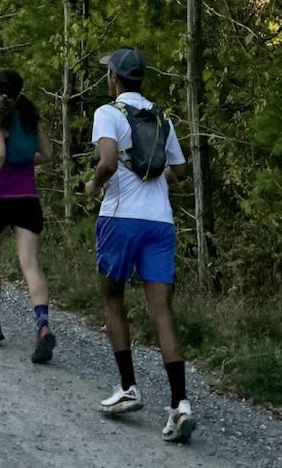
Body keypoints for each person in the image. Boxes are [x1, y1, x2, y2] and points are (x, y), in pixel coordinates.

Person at [84, 47, 195, 444]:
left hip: (120, 219)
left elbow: (109, 160)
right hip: (160, 221)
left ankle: (129, 387)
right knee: (161, 311)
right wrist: (155, 170)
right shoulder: (162, 117)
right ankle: (180, 404)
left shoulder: (109, 113)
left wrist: (94, 184)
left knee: (112, 297)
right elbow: (181, 170)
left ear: (114, 77)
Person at [0, 69, 56, 363]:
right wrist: (25, 163)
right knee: (30, 264)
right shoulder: (29, 117)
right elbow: (48, 153)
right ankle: (42, 327)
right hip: (27, 198)